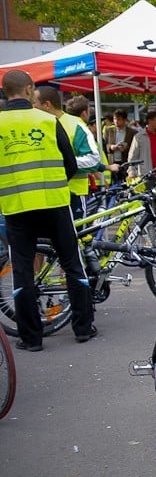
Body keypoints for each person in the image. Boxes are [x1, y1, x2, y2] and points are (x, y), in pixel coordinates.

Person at [0, 70, 97, 352]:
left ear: (6, 91)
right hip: (55, 202)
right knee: (71, 263)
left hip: (17, 206)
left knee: (22, 270)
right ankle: (82, 328)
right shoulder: (48, 120)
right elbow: (70, 163)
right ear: (29, 89)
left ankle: (31, 338)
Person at [33, 88, 115, 217]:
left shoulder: (76, 125)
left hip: (73, 195)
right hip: (44, 196)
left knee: (75, 236)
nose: (32, 108)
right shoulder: (35, 125)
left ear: (47, 105)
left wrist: (63, 163)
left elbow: (93, 159)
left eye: (35, 104)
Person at [127, 111, 156, 178]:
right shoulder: (139, 137)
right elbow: (132, 157)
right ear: (150, 121)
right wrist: (131, 171)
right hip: (146, 174)